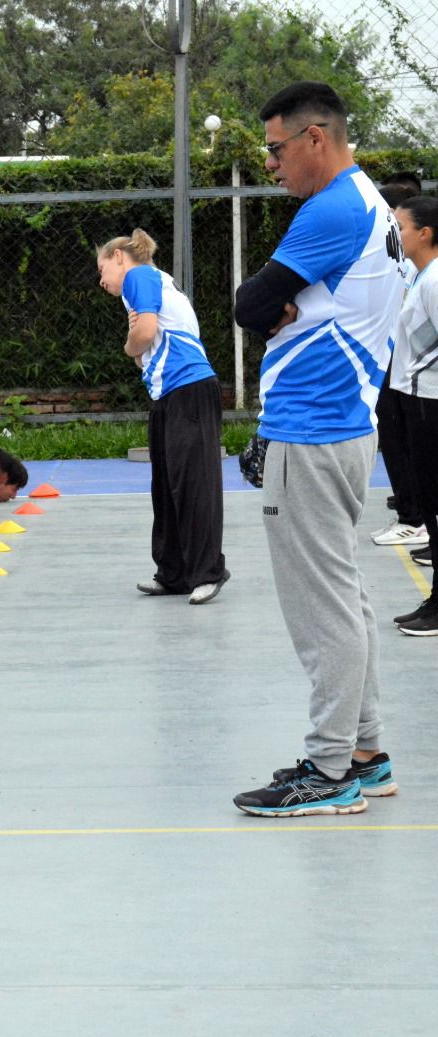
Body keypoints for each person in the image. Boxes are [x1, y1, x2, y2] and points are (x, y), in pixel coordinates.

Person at [230, 82, 402, 816]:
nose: (271, 164)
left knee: (322, 607)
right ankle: (364, 755)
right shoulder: (366, 202)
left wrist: (273, 308)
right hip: (341, 424)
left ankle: (329, 770)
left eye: (274, 149)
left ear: (315, 139)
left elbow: (247, 304)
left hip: (315, 426)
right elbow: (265, 305)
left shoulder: (331, 208)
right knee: (345, 598)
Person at [96, 228, 230, 605]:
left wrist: (129, 342)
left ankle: (208, 571)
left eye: (102, 268)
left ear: (120, 257)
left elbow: (142, 338)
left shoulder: (139, 277)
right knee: (167, 486)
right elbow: (145, 352)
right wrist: (136, 341)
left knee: (193, 485)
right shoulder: (150, 287)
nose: (101, 280)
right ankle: (172, 573)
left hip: (190, 389)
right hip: (168, 395)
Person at [384, 195, 438, 635]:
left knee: (435, 506)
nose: (396, 236)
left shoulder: (436, 279)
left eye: (400, 228)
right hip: (416, 401)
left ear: (425, 233)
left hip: (430, 405)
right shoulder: (423, 277)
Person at [370, 179, 429, 551]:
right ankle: (413, 514)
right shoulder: (406, 265)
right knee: (397, 441)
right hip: (399, 366)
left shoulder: (429, 275)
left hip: (414, 376)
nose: (393, 230)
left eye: (398, 223)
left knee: (410, 445)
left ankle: (415, 518)